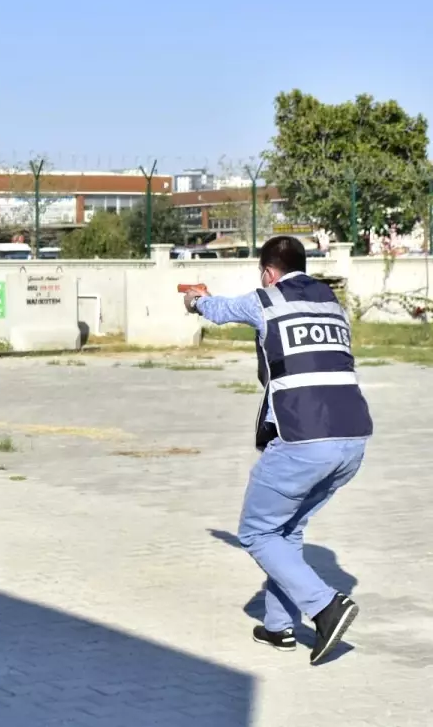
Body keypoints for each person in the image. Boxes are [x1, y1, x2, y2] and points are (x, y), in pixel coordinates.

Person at [184, 235, 372, 665]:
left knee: (256, 532)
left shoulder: (265, 300)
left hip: (304, 439)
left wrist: (196, 301)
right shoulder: (332, 305)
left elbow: (220, 309)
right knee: (285, 531)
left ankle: (325, 607)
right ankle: (278, 627)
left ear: (269, 272)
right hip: (353, 440)